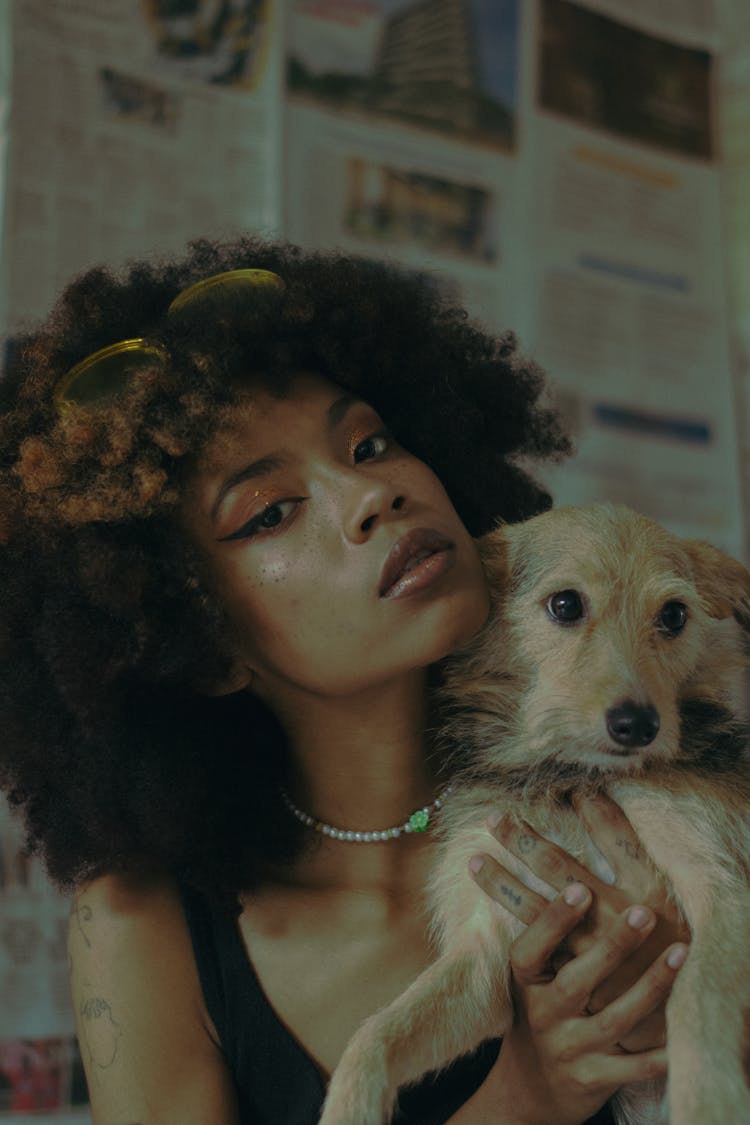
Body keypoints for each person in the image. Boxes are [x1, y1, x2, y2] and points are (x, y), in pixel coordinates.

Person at [0, 236, 687, 1124]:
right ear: (200, 646)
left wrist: (712, 997)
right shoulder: (145, 926)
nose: (373, 495)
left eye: (370, 444)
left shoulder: (636, 800)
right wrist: (529, 1094)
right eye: (271, 512)